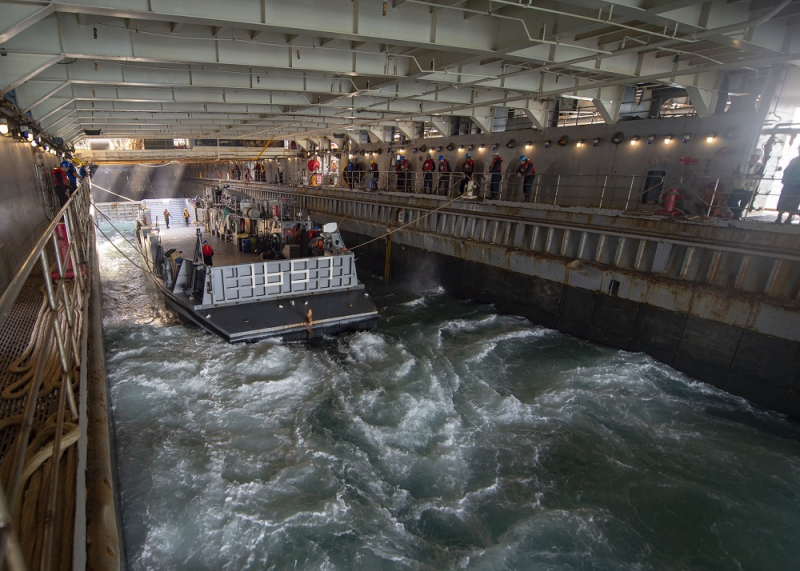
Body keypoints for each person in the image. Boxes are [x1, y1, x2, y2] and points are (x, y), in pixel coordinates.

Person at [728, 149, 765, 220]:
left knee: (743, 205)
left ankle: (736, 217)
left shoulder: (760, 166)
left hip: (749, 188)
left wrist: (747, 176)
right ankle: (738, 215)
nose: (754, 158)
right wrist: (740, 176)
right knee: (731, 202)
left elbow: (759, 176)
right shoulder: (742, 164)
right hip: (739, 186)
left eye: (756, 156)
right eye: (753, 156)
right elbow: (734, 174)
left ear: (759, 157)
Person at [776, 148, 800, 224]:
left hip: (797, 185)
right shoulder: (794, 160)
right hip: (788, 184)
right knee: (783, 200)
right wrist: (785, 180)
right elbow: (786, 170)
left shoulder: (794, 160)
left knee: (794, 201)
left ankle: (789, 218)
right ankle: (779, 217)